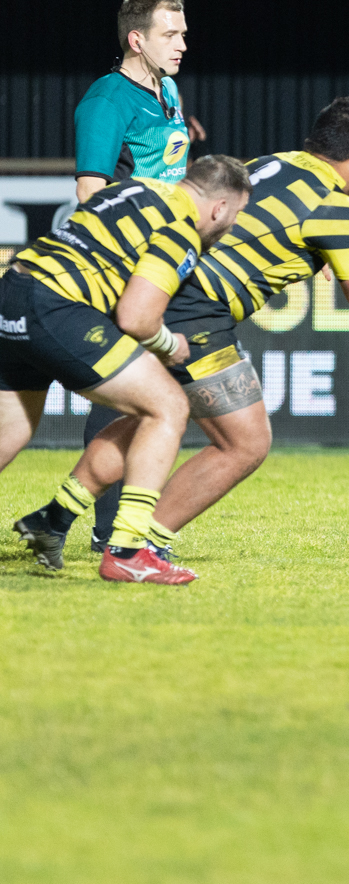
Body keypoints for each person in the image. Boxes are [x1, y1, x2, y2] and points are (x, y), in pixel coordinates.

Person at [15, 98, 349, 565]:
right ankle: (138, 544)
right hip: (198, 310)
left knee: (153, 414)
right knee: (244, 442)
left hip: (159, 284)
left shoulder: (268, 165)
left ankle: (55, 518)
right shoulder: (335, 207)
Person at [6, 155, 251, 584]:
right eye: (235, 216)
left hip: (12, 291)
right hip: (56, 307)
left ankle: (55, 519)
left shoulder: (132, 189)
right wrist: (168, 344)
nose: (230, 227)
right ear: (220, 208)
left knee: (11, 429)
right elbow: (136, 318)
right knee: (168, 407)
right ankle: (127, 551)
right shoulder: (181, 229)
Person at [75, 0, 207, 550]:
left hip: (164, 262)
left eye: (183, 33)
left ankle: (113, 525)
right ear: (137, 41)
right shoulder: (107, 100)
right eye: (170, 34)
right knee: (122, 395)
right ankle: (109, 529)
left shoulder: (168, 92)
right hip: (125, 267)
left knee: (151, 393)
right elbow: (89, 194)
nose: (181, 43)